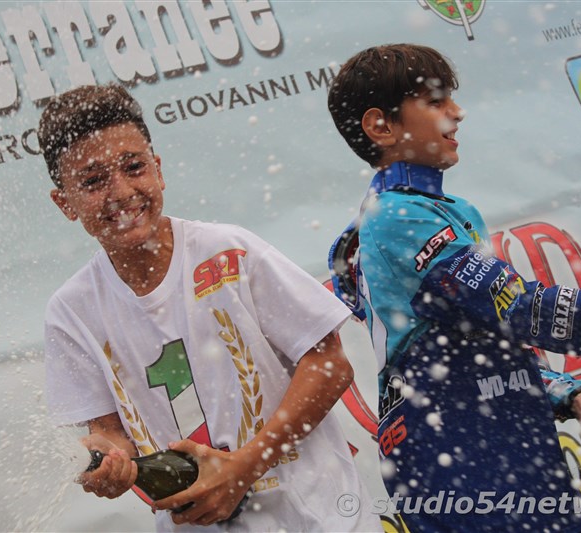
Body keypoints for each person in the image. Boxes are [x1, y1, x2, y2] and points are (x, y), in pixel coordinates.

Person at [326, 44, 581, 532]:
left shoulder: (437, 210)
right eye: (436, 101)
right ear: (381, 126)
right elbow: (529, 312)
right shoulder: (397, 216)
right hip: (457, 459)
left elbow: (491, 346)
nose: (457, 113)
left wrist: (574, 399)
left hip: (495, 448)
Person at [39, 84, 380, 532]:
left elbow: (330, 364)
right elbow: (108, 432)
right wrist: (108, 463)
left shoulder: (227, 251)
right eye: (93, 181)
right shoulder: (71, 312)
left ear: (158, 170)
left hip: (321, 517)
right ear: (65, 202)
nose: (121, 192)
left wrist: (245, 466)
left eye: (133, 167)